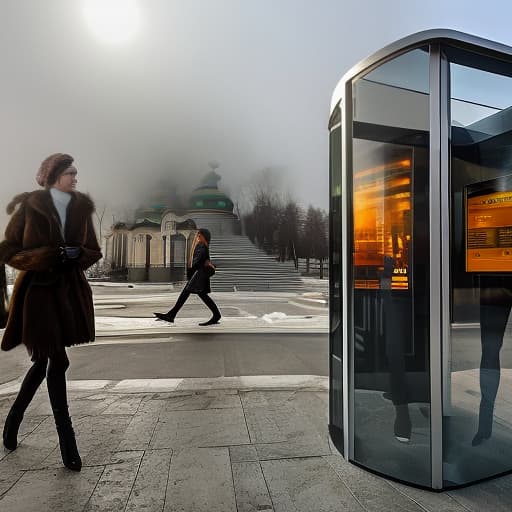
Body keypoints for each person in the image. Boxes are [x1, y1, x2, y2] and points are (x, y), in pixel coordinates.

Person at [0, 153, 102, 471]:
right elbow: (9, 250)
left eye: (76, 173)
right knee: (58, 361)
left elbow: (94, 251)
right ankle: (68, 444)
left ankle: (12, 421)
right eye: (70, 173)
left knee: (43, 361)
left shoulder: (81, 208)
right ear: (54, 176)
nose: (75, 178)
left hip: (69, 297)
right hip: (39, 297)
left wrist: (77, 254)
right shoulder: (30, 206)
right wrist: (46, 256)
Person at [154, 228, 221, 326]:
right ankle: (216, 315)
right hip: (200, 275)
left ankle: (171, 315)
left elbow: (196, 262)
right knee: (198, 294)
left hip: (198, 275)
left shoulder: (201, 245)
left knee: (186, 293)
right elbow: (204, 261)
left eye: (199, 235)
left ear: (203, 236)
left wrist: (191, 272)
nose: (197, 237)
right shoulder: (205, 246)